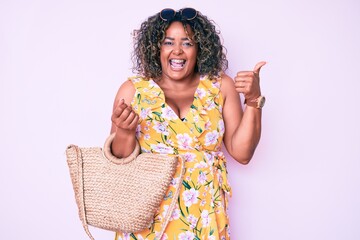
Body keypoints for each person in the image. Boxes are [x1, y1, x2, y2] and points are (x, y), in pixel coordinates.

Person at [110, 7, 266, 240]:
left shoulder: (220, 86)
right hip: (147, 218)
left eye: (187, 43)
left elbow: (243, 153)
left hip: (204, 215)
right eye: (168, 42)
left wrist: (253, 100)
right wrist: (124, 131)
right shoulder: (133, 90)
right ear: (156, 48)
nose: (177, 51)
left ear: (200, 48)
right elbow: (119, 161)